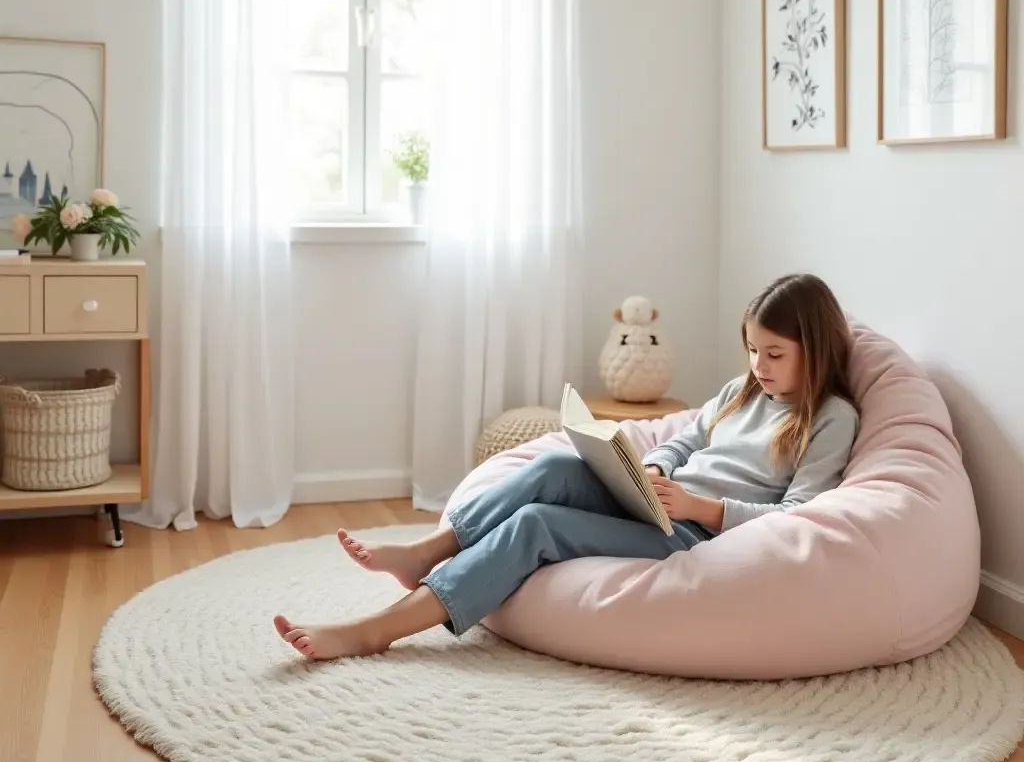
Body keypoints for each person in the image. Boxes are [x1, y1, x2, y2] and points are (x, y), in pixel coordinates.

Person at [274, 273, 859, 660]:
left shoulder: (831, 419)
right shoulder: (740, 391)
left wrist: (700, 508)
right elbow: (686, 439)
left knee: (537, 525)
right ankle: (430, 549)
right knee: (554, 465)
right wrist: (650, 467)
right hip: (659, 500)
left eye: (775, 354)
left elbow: (798, 513)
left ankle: (375, 631)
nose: (759, 364)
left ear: (817, 348)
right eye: (752, 350)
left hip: (689, 534)